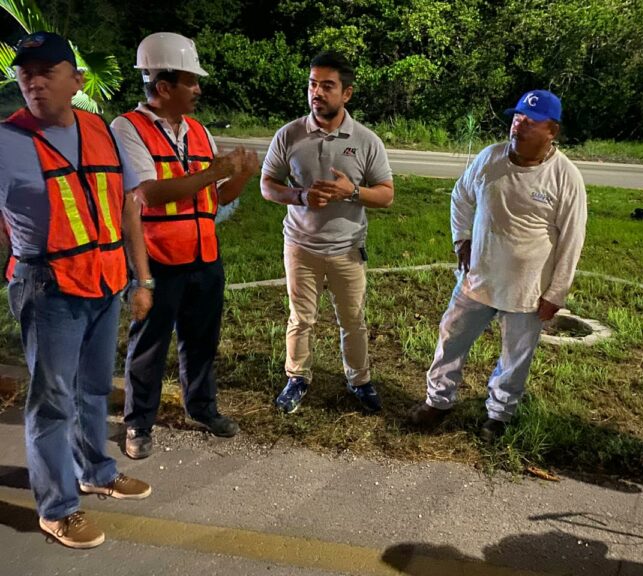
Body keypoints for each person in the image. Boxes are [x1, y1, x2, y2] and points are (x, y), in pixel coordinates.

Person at [0, 31, 153, 549]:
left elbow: (128, 206)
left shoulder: (99, 132)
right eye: (26, 73)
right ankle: (58, 507)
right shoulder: (5, 141)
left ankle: (97, 471)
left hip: (106, 281)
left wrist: (141, 276)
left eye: (47, 71)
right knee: (52, 400)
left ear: (77, 80)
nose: (34, 81)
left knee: (93, 389)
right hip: (48, 288)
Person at [111, 32, 260, 459]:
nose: (198, 89)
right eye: (190, 82)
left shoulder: (197, 130)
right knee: (149, 346)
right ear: (163, 87)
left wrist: (242, 174)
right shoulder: (128, 127)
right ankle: (138, 423)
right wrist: (217, 172)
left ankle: (202, 407)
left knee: (201, 341)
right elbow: (150, 194)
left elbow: (217, 198)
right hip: (159, 261)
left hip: (205, 257)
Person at [407, 90, 587, 443]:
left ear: (552, 130)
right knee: (451, 337)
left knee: (516, 356)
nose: (518, 126)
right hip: (478, 278)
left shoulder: (565, 178)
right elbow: (461, 196)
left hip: (528, 290)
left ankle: (499, 414)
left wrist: (557, 292)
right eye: (516, 118)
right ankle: (438, 401)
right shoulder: (490, 158)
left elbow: (572, 238)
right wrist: (462, 239)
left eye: (529, 122)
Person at [261, 51, 394, 414]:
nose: (317, 92)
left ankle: (360, 380)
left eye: (327, 86)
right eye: (312, 84)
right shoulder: (289, 134)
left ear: (346, 94)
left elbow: (386, 194)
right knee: (300, 318)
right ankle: (297, 377)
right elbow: (267, 185)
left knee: (352, 320)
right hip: (300, 245)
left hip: (347, 249)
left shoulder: (366, 141)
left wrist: (351, 191)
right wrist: (300, 195)